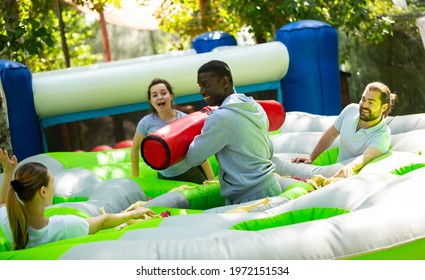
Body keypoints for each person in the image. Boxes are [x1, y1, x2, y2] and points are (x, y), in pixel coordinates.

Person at [0, 149, 157, 250]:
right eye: (52, 182)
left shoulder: (10, 224)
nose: (54, 187)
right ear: (43, 191)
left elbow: (2, 204)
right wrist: (131, 214)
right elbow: (102, 221)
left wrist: (8, 172)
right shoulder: (62, 226)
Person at [185, 60, 282, 205]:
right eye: (200, 86)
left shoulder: (220, 117)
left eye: (206, 85)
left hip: (250, 196)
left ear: (225, 82)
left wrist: (191, 131)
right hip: (270, 186)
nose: (201, 91)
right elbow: (269, 149)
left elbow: (193, 158)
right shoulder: (254, 106)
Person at [291, 81, 397, 178]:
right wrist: (311, 157)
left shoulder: (382, 135)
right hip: (335, 172)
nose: (364, 105)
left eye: (371, 102)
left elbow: (367, 156)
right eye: (363, 99)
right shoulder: (351, 110)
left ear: (383, 107)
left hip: (353, 179)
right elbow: (331, 134)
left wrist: (350, 167)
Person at [131, 78, 215, 184]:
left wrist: (211, 178)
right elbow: (135, 148)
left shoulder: (185, 120)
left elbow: (198, 150)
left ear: (171, 96)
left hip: (189, 173)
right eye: (155, 95)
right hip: (164, 177)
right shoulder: (146, 123)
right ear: (151, 101)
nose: (160, 97)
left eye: (163, 93)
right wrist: (135, 178)